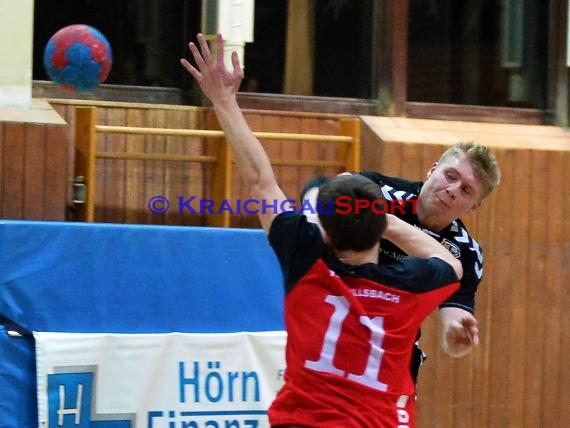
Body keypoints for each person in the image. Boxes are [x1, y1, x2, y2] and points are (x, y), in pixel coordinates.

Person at [181, 33, 463, 428]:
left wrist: (224, 101)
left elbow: (261, 183)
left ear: (324, 232)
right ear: (379, 228)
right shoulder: (408, 288)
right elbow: (449, 261)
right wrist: (391, 223)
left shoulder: (307, 262)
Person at [301, 141, 501, 381]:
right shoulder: (383, 193)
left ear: (474, 206)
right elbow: (321, 186)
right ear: (432, 170)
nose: (452, 189)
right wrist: (313, 215)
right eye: (450, 176)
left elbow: (456, 316)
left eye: (466, 190)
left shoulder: (466, 252)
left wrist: (455, 339)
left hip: (390, 351)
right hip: (332, 326)